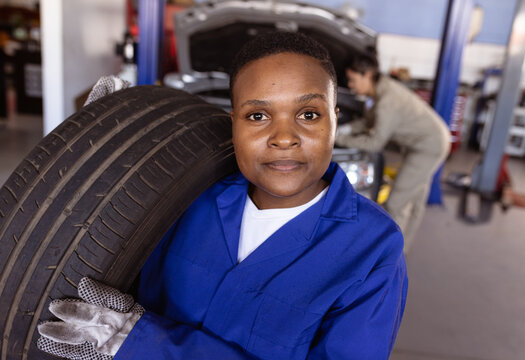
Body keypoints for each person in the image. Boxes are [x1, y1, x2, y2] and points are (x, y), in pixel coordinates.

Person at [37, 32, 407, 360]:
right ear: (233, 123)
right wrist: (91, 177)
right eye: (258, 116)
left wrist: (139, 344)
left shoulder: (374, 249)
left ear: (335, 121)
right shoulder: (183, 197)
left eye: (309, 114)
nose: (283, 137)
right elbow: (99, 264)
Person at [336, 54, 450, 253]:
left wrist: (338, 139)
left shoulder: (387, 100)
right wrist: (346, 129)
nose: (351, 85)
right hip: (428, 141)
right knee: (414, 201)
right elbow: (368, 121)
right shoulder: (379, 91)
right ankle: (401, 252)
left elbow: (375, 143)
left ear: (367, 75)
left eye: (353, 80)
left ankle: (388, 255)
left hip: (427, 147)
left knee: (396, 203)